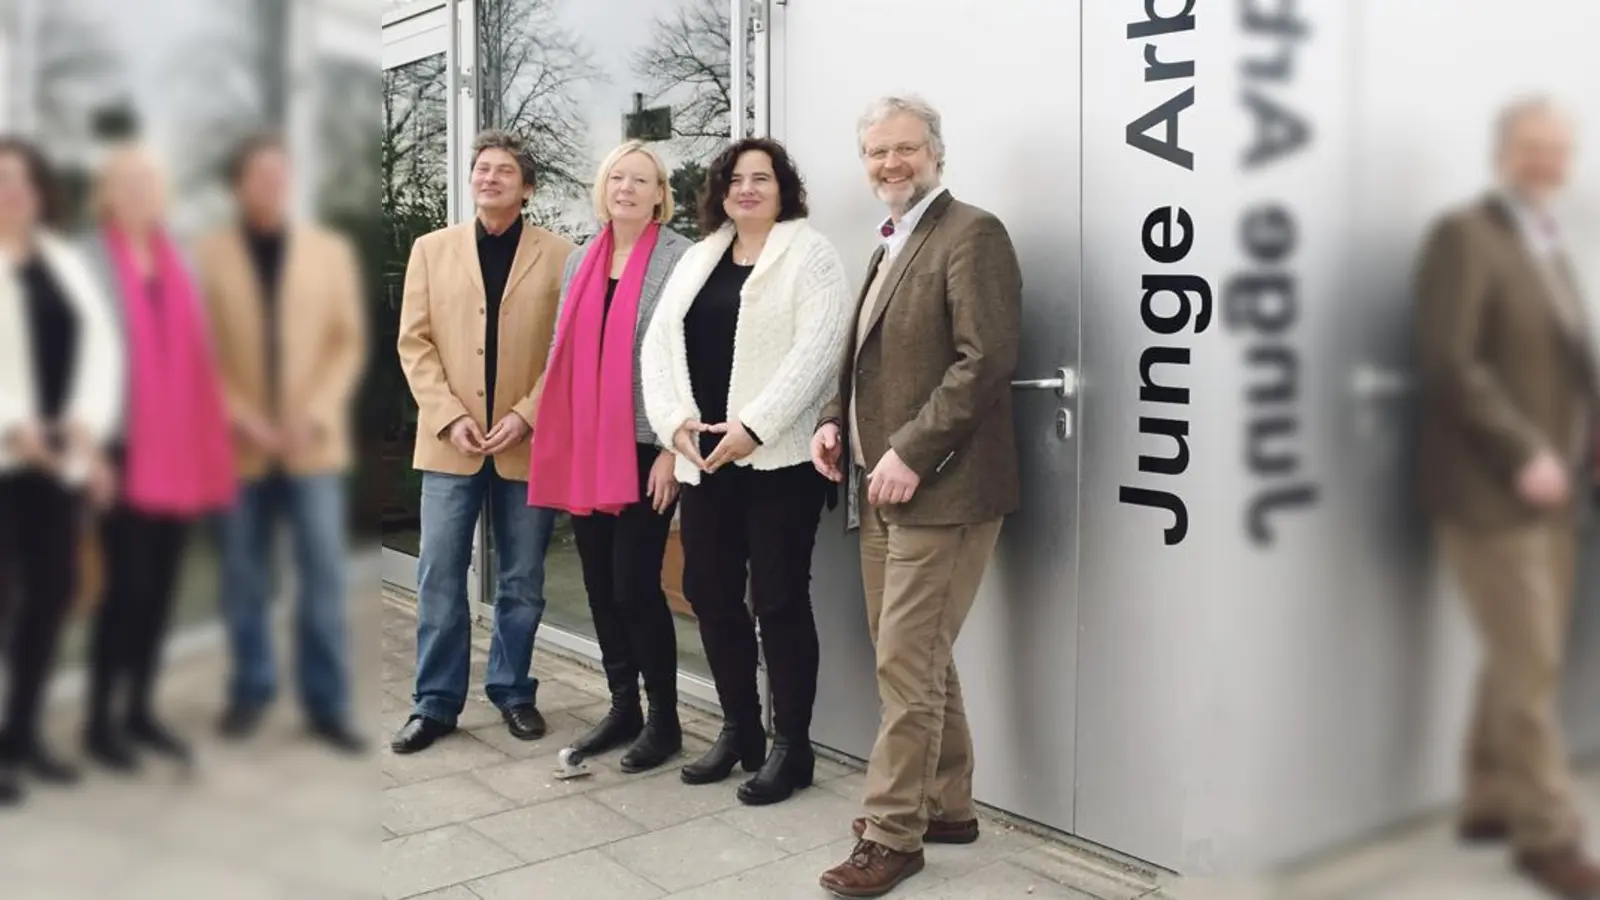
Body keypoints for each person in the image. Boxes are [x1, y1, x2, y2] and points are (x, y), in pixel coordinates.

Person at [814, 96, 1023, 897]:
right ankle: (946, 804)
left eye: (904, 149)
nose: (890, 164)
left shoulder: (972, 233)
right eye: (876, 153)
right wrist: (836, 422)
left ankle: (894, 835)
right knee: (912, 656)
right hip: (880, 492)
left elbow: (984, 360)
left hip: (946, 491)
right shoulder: (893, 240)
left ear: (936, 151)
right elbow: (867, 359)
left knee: (906, 660)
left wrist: (911, 449)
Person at [1412, 96, 1600, 896]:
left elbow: (1562, 358)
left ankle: (1489, 800)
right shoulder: (1464, 237)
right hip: (1492, 487)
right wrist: (1525, 451)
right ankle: (1546, 832)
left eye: (1558, 150)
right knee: (1530, 664)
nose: (1547, 163)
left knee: (1523, 652)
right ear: (1503, 153)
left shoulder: (1545, 238)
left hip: (1556, 487)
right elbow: (1450, 360)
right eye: (1534, 148)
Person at [641, 137, 852, 804]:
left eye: (762, 178)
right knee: (707, 590)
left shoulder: (809, 253)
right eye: (736, 179)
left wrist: (754, 426)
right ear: (720, 191)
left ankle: (793, 746)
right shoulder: (701, 257)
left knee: (779, 599)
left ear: (783, 188)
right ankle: (740, 730)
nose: (748, 189)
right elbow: (659, 346)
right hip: (705, 460)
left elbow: (820, 350)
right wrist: (673, 422)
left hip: (777, 460)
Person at [393, 129, 574, 754]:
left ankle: (513, 691)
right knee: (439, 573)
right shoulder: (430, 249)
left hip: (525, 442)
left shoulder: (561, 255)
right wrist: (446, 415)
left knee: (521, 578)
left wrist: (527, 414)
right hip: (451, 444)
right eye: (481, 169)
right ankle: (435, 703)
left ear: (527, 188)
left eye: (504, 171)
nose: (489, 178)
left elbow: (565, 351)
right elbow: (413, 342)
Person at [196, 133, 367, 753]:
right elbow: (195, 349)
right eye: (258, 175)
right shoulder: (209, 255)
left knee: (322, 576)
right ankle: (251, 689)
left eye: (279, 175)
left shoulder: (327, 253)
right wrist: (240, 415)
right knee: (243, 576)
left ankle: (325, 704)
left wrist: (315, 412)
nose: (270, 185)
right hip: (237, 449)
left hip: (311, 447)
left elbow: (346, 343)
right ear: (240, 185)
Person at [527, 141, 692, 772]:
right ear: (603, 189)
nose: (626, 188)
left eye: (641, 180)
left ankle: (666, 721)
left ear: (659, 194)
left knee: (634, 584)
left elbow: (687, 362)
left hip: (644, 444)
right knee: (597, 582)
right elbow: (561, 348)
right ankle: (623, 707)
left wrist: (671, 452)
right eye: (616, 177)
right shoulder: (581, 260)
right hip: (583, 443)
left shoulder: (681, 259)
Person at [80, 144, 236, 771]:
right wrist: (86, 450)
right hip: (115, 451)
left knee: (161, 590)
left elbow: (202, 358)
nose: (143, 194)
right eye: (130, 184)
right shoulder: (87, 263)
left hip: (180, 452)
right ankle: (99, 721)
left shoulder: (181, 263)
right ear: (109, 194)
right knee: (122, 589)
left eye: (151, 183)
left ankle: (139, 711)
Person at [0, 136, 123, 801]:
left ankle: (20, 736)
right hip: (8, 457)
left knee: (48, 599)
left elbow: (99, 350)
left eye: (22, 179)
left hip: (56, 466)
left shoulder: (61, 262)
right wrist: (21, 431)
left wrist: (86, 433)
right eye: (1, 180)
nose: (12, 190)